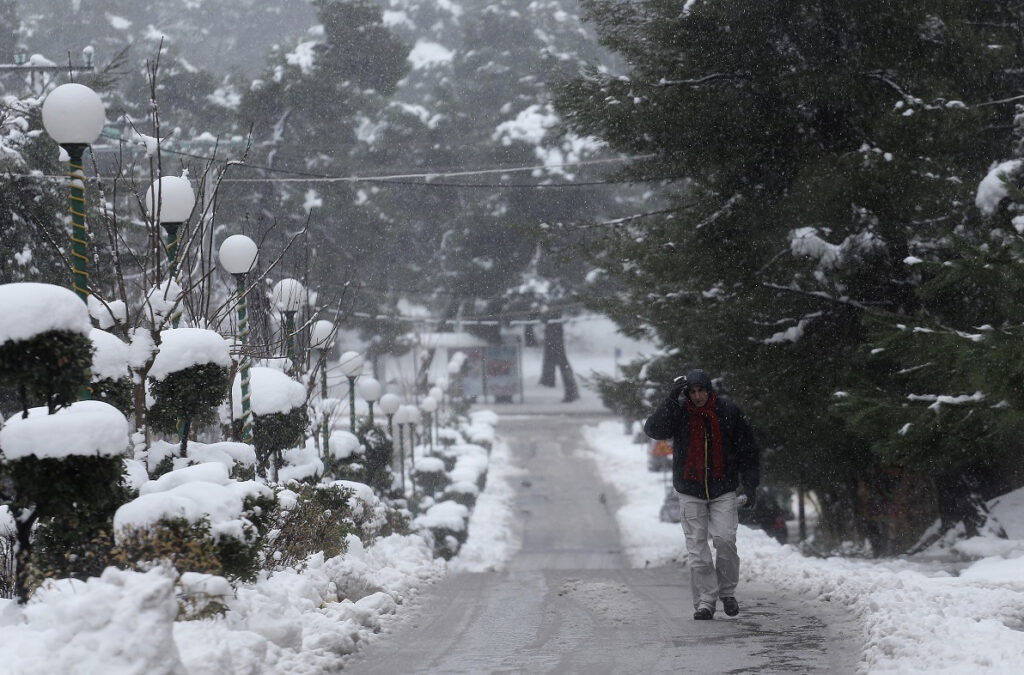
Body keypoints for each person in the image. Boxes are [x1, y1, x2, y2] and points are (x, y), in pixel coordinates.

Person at [644, 368, 760, 620]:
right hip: (690, 490)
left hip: (723, 489)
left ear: (709, 390)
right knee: (698, 551)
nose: (697, 397)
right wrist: (671, 400)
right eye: (692, 392)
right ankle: (705, 602)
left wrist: (750, 485)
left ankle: (727, 592)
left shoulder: (728, 412)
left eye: (701, 391)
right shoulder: (680, 413)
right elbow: (653, 429)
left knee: (725, 540)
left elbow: (748, 449)